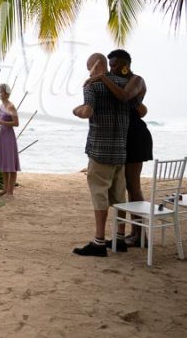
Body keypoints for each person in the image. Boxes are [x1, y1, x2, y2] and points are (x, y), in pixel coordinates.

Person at [88, 49, 153, 246]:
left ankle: (139, 234)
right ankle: (131, 233)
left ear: (125, 65)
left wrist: (101, 78)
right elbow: (139, 108)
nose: (112, 69)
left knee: (133, 186)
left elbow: (125, 97)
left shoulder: (136, 80)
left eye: (115, 65)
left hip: (135, 136)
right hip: (121, 137)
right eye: (110, 65)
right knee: (124, 186)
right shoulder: (115, 80)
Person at [72, 53, 130, 257]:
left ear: (96, 66)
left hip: (100, 150)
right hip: (120, 150)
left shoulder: (92, 85)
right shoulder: (124, 84)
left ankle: (99, 242)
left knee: (99, 195)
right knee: (120, 196)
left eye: (89, 67)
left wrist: (76, 110)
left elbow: (88, 111)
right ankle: (121, 239)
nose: (88, 71)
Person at [0, 83, 20, 197]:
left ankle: (10, 191)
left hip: (8, 136)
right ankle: (5, 188)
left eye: (1, 92)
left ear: (7, 93)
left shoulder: (11, 106)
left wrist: (1, 122)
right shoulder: (0, 106)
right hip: (0, 135)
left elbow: (16, 123)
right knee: (3, 163)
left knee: (11, 163)